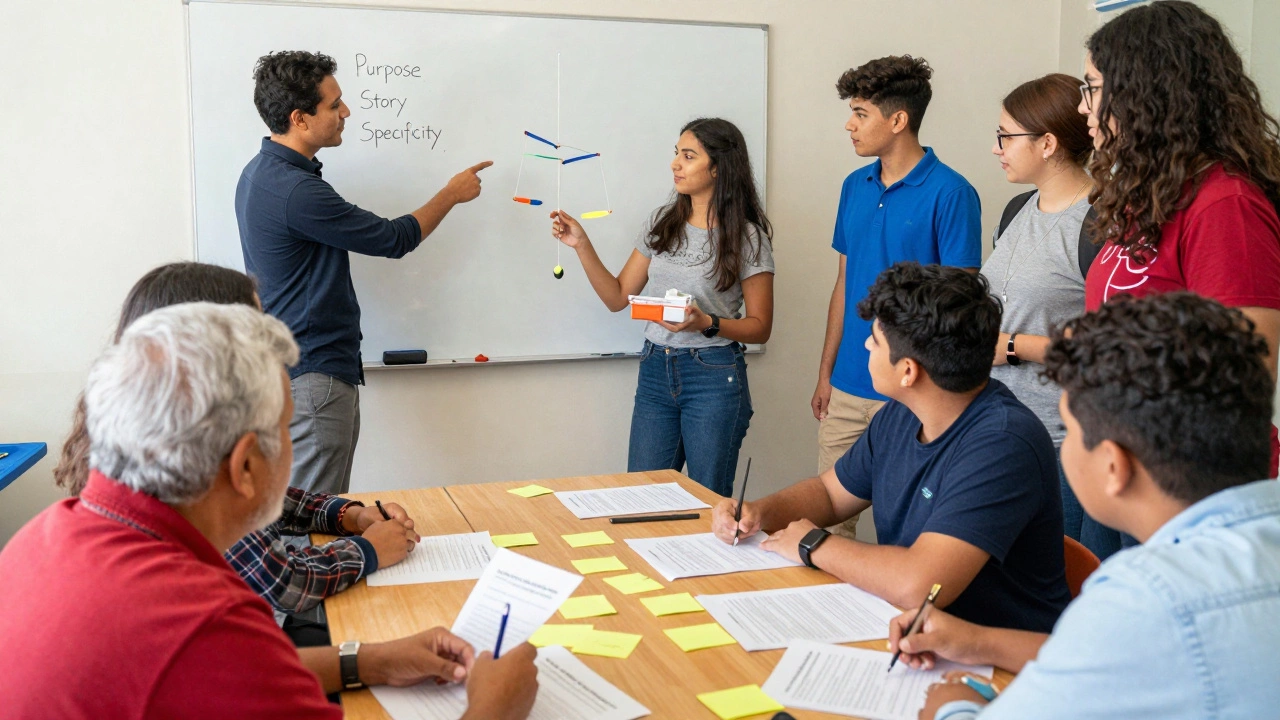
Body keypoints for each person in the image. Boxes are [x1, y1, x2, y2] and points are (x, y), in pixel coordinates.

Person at [0, 304, 537, 719]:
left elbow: (224, 667)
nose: (293, 449)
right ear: (244, 466)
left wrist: (371, 659)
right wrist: (495, 707)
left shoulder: (46, 534)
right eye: (285, 429)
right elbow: (214, 654)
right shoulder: (202, 619)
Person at [894, 293, 1280, 720]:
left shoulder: (1143, 598)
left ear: (1113, 466)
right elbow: (1121, 660)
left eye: (1069, 429)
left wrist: (951, 705)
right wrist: (977, 642)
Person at [51, 262, 417, 636]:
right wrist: (368, 550)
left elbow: (268, 497)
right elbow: (283, 582)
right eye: (256, 331)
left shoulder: (146, 439)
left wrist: (347, 515)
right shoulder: (190, 467)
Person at [714, 263, 1069, 632]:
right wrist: (758, 512)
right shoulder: (902, 413)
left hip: (994, 655)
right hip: (914, 633)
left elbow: (921, 585)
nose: (866, 345)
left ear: (908, 372)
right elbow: (831, 495)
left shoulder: (1003, 444)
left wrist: (814, 544)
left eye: (875, 340)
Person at [237, 50, 493, 496]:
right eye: (334, 105)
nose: (346, 112)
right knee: (313, 517)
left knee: (316, 510)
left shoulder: (259, 173)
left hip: (300, 370)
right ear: (299, 118)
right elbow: (394, 239)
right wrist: (451, 194)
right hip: (313, 377)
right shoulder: (297, 192)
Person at [1078, 0, 1280, 477]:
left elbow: (1241, 377)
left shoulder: (1225, 204)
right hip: (1130, 460)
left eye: (1092, 88)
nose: (1083, 106)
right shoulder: (1154, 193)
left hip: (1192, 477)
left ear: (1145, 92)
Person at [549, 117, 774, 497]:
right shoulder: (662, 222)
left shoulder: (747, 238)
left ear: (718, 168)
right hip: (656, 368)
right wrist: (581, 244)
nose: (675, 164)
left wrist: (706, 322)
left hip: (713, 375)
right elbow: (617, 297)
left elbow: (761, 327)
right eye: (676, 154)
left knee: (707, 502)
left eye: (689, 156)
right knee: (641, 497)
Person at [812, 55, 982, 540]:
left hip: (915, 392)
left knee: (911, 533)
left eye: (860, 113)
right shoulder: (853, 186)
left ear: (898, 120)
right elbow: (844, 284)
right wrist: (826, 373)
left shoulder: (952, 193)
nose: (849, 125)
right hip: (847, 386)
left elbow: (957, 308)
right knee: (830, 529)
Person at [981, 74, 1120, 560]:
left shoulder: (1102, 221)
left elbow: (1115, 348)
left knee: (1062, 578)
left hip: (1061, 442)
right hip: (1001, 427)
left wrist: (1012, 346)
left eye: (1006, 136)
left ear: (1047, 143)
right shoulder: (1016, 209)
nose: (996, 148)